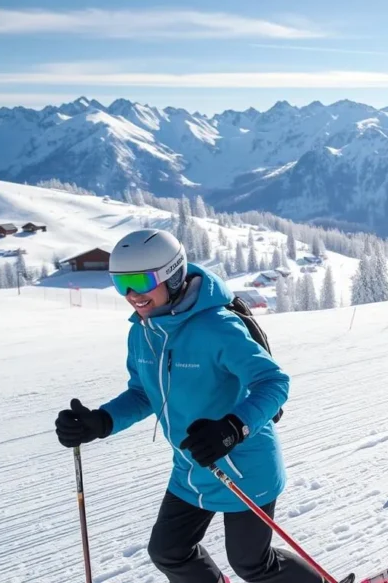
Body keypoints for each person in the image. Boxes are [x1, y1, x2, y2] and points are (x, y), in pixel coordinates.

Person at [54, 229, 322, 583]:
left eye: (139, 281)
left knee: (251, 564)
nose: (132, 294)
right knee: (169, 551)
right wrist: (102, 421)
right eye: (121, 284)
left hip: (245, 467)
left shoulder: (217, 327)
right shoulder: (142, 333)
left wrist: (232, 428)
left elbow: (274, 383)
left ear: (174, 274)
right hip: (191, 467)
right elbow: (144, 392)